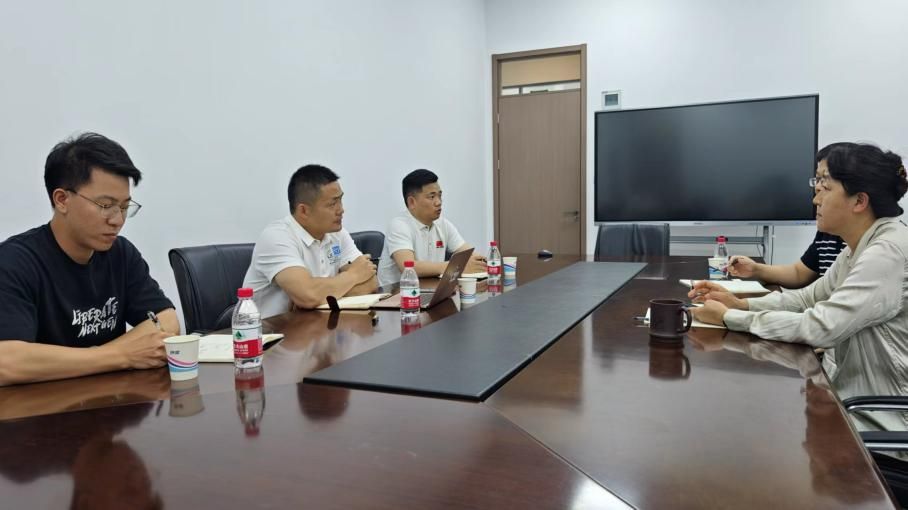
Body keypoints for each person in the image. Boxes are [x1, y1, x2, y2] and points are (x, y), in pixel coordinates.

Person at [689, 142, 908, 409]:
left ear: (860, 201)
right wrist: (740, 304)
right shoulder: (858, 248)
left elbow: (821, 327)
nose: (815, 199)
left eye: (825, 187)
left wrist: (728, 317)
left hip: (877, 413)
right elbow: (805, 300)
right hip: (845, 392)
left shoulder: (887, 252)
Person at [0, 133, 179, 387]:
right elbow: (7, 362)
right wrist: (120, 356)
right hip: (43, 406)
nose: (117, 220)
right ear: (62, 200)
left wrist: (107, 357)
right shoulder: (14, 262)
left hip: (112, 403)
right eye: (105, 205)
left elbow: (167, 321)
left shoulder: (121, 253)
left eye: (124, 207)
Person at [243, 164, 377, 317]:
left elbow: (371, 281)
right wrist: (353, 276)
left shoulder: (337, 233)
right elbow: (308, 295)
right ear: (304, 211)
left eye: (340, 200)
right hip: (269, 329)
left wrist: (317, 297)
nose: (341, 209)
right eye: (332, 204)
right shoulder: (276, 237)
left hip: (317, 324)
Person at [378, 169, 486, 286]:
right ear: (412, 202)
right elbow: (409, 266)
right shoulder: (399, 225)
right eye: (432, 197)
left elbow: (468, 252)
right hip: (397, 293)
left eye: (440, 195)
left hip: (432, 290)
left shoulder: (442, 224)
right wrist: (455, 267)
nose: (438, 202)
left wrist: (482, 262)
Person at [728, 230, 846, 289]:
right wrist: (756, 269)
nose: (816, 200)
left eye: (826, 191)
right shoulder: (826, 234)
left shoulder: (856, 251)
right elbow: (798, 273)